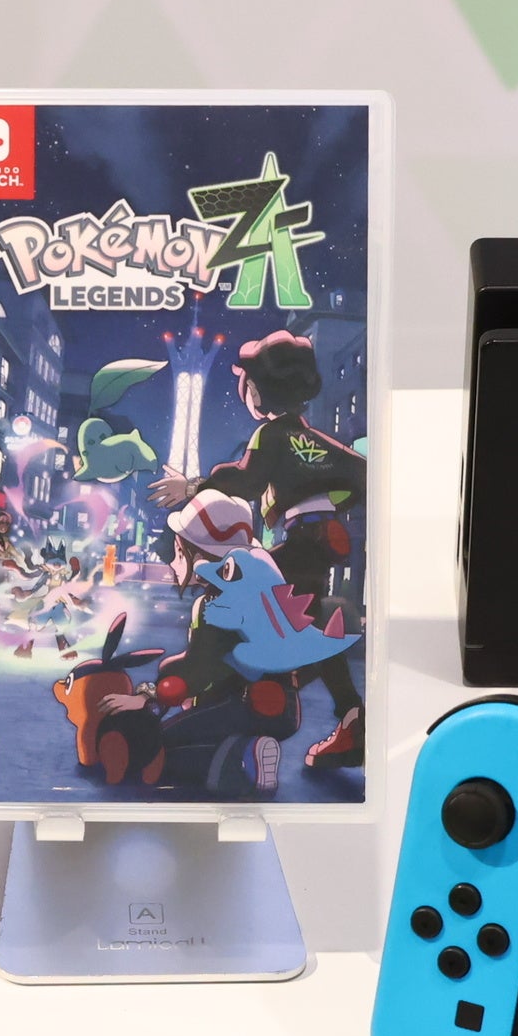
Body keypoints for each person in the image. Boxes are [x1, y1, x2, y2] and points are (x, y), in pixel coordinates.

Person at [155, 332, 365, 775]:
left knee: (237, 596)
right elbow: (363, 473)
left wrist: (192, 487)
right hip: (319, 541)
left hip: (303, 540)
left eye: (248, 385)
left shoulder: (270, 434)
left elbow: (245, 480)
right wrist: (329, 505)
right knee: (304, 623)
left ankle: (240, 690)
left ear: (261, 389)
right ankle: (348, 717)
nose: (247, 393)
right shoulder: (312, 438)